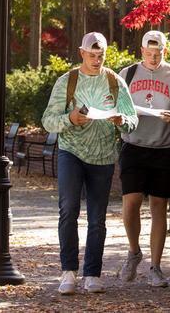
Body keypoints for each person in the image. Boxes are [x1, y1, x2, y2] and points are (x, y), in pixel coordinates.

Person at [42, 32, 138, 296]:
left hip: (104, 156)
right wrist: (70, 118)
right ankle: (68, 272)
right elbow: (48, 120)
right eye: (92, 55)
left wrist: (122, 121)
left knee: (97, 218)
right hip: (71, 152)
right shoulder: (68, 81)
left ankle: (92, 274)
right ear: (81, 52)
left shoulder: (114, 82)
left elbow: (132, 118)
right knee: (68, 209)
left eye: (101, 56)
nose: (96, 60)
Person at [117, 30, 170, 288]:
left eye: (158, 53)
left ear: (165, 51)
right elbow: (114, 104)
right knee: (131, 203)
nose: (153, 58)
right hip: (133, 145)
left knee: (159, 206)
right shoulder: (127, 75)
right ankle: (133, 252)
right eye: (149, 53)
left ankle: (155, 267)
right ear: (141, 51)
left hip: (163, 148)